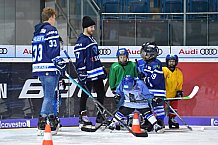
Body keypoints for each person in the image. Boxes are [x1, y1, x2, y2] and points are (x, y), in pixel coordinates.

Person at [32, 7, 64, 135]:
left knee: (48, 96)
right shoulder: (51, 30)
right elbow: (52, 50)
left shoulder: (37, 32)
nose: (54, 20)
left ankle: (51, 119)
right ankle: (42, 122)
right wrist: (59, 61)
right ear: (51, 17)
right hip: (49, 68)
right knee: (49, 97)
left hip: (39, 68)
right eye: (54, 17)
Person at [74, 16, 107, 127]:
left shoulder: (92, 39)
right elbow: (79, 58)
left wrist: (101, 68)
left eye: (94, 27)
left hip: (96, 73)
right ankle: (82, 116)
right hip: (88, 73)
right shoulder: (81, 41)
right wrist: (81, 71)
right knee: (85, 94)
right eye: (91, 27)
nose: (93, 29)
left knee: (101, 93)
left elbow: (95, 56)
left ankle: (100, 115)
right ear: (85, 27)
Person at [136, 42, 166, 129]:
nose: (142, 54)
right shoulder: (148, 63)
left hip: (157, 91)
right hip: (150, 91)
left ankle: (160, 121)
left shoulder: (156, 64)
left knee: (158, 106)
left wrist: (144, 79)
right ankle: (148, 122)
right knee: (146, 106)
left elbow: (155, 80)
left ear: (150, 54)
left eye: (144, 52)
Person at [162, 54, 183, 128]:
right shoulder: (164, 70)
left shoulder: (179, 72)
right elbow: (160, 81)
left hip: (173, 94)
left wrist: (179, 91)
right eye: (170, 61)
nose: (171, 63)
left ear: (176, 62)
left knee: (174, 107)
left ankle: (172, 119)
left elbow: (179, 82)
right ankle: (160, 121)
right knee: (161, 109)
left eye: (173, 61)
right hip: (164, 94)